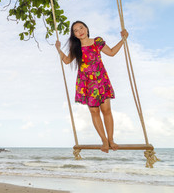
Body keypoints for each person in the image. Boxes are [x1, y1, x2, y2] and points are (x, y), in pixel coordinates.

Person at [55, 21, 129, 153]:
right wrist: (59, 49)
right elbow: (66, 61)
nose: (80, 31)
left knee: (106, 110)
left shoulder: (97, 41)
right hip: (87, 83)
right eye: (76, 30)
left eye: (81, 28)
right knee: (94, 112)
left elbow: (111, 52)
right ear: (74, 35)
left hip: (101, 80)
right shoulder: (76, 49)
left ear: (87, 28)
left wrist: (123, 40)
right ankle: (104, 140)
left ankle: (111, 139)